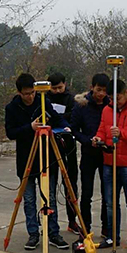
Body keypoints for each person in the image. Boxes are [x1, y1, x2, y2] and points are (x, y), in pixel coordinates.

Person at [5, 73, 70, 250]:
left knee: (49, 197)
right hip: (26, 159)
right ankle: (33, 233)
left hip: (46, 158)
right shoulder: (12, 108)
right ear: (19, 92)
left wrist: (65, 127)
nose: (30, 96)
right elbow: (10, 132)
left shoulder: (43, 102)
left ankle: (53, 233)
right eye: (26, 93)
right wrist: (30, 128)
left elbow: (56, 118)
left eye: (33, 92)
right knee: (29, 199)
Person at [93, 79, 127, 253]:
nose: (115, 101)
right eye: (111, 98)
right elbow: (102, 129)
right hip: (110, 162)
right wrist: (98, 139)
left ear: (126, 93)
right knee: (110, 203)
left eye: (118, 97)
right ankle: (111, 236)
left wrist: (122, 133)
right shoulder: (107, 110)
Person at [70, 73, 111, 239]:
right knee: (86, 193)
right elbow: (73, 129)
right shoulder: (81, 106)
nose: (101, 94)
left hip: (106, 154)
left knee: (107, 193)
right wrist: (88, 141)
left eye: (104, 91)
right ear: (92, 87)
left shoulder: (111, 106)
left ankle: (106, 227)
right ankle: (85, 227)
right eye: (98, 89)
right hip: (88, 154)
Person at [47, 72, 80, 234]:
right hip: (50, 146)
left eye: (60, 87)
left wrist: (57, 117)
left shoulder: (71, 99)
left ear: (65, 84)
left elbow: (73, 117)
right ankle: (50, 224)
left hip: (68, 145)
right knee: (50, 187)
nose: (58, 91)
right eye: (54, 88)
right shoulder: (45, 99)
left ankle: (72, 220)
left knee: (71, 184)